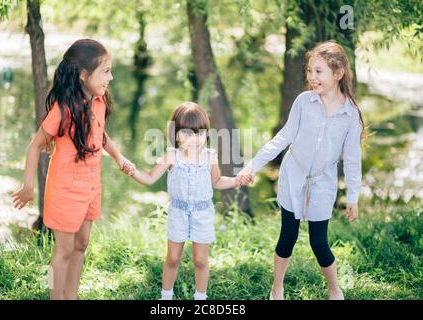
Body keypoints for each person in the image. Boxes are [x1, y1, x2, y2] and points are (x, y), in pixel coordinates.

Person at [237, 41, 364, 300]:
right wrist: (253, 166)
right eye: (309, 71)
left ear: (337, 74)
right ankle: (277, 287)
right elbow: (283, 138)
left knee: (319, 242)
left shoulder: (350, 115)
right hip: (293, 175)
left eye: (319, 72)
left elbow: (352, 159)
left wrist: (353, 197)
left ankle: (334, 290)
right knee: (288, 236)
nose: (312, 77)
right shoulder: (304, 102)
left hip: (322, 182)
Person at [12, 39, 135, 300]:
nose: (110, 77)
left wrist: (118, 157)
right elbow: (35, 147)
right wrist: (28, 186)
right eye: (105, 71)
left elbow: (101, 136)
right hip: (65, 191)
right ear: (83, 75)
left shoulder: (99, 102)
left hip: (91, 187)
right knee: (63, 252)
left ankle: (71, 296)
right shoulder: (62, 110)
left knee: (82, 244)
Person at [130, 101, 241, 300]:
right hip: (178, 213)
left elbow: (217, 181)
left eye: (199, 133)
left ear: (206, 133)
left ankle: (200, 297)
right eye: (187, 134)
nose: (194, 139)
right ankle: (166, 296)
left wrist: (236, 180)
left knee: (200, 260)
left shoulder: (210, 157)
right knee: (173, 258)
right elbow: (149, 177)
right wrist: (131, 170)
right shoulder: (172, 156)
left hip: (202, 213)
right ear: (176, 134)